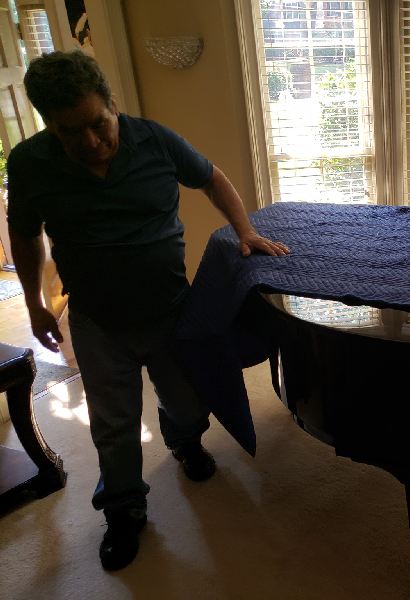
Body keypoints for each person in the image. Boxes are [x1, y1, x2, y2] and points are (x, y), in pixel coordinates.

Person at [5, 50, 289, 571]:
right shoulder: (29, 163)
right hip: (97, 320)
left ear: (113, 104)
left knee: (186, 402)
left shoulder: (155, 140)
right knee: (113, 424)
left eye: (98, 123)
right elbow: (24, 233)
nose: (90, 142)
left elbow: (211, 177)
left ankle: (185, 443)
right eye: (71, 132)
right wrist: (35, 302)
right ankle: (123, 510)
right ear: (50, 127)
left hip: (169, 310)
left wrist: (245, 230)